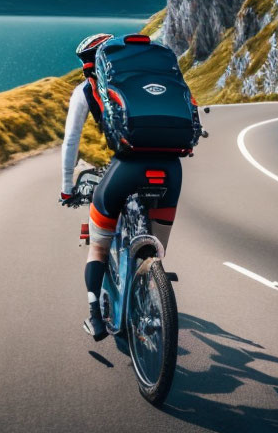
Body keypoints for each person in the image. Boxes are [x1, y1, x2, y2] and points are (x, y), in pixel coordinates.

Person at [60, 33, 183, 341]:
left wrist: (66, 187)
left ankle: (95, 316)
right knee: (157, 248)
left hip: (128, 167)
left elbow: (71, 141)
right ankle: (153, 283)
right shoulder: (154, 79)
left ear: (88, 64)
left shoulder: (86, 90)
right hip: (171, 170)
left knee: (98, 245)